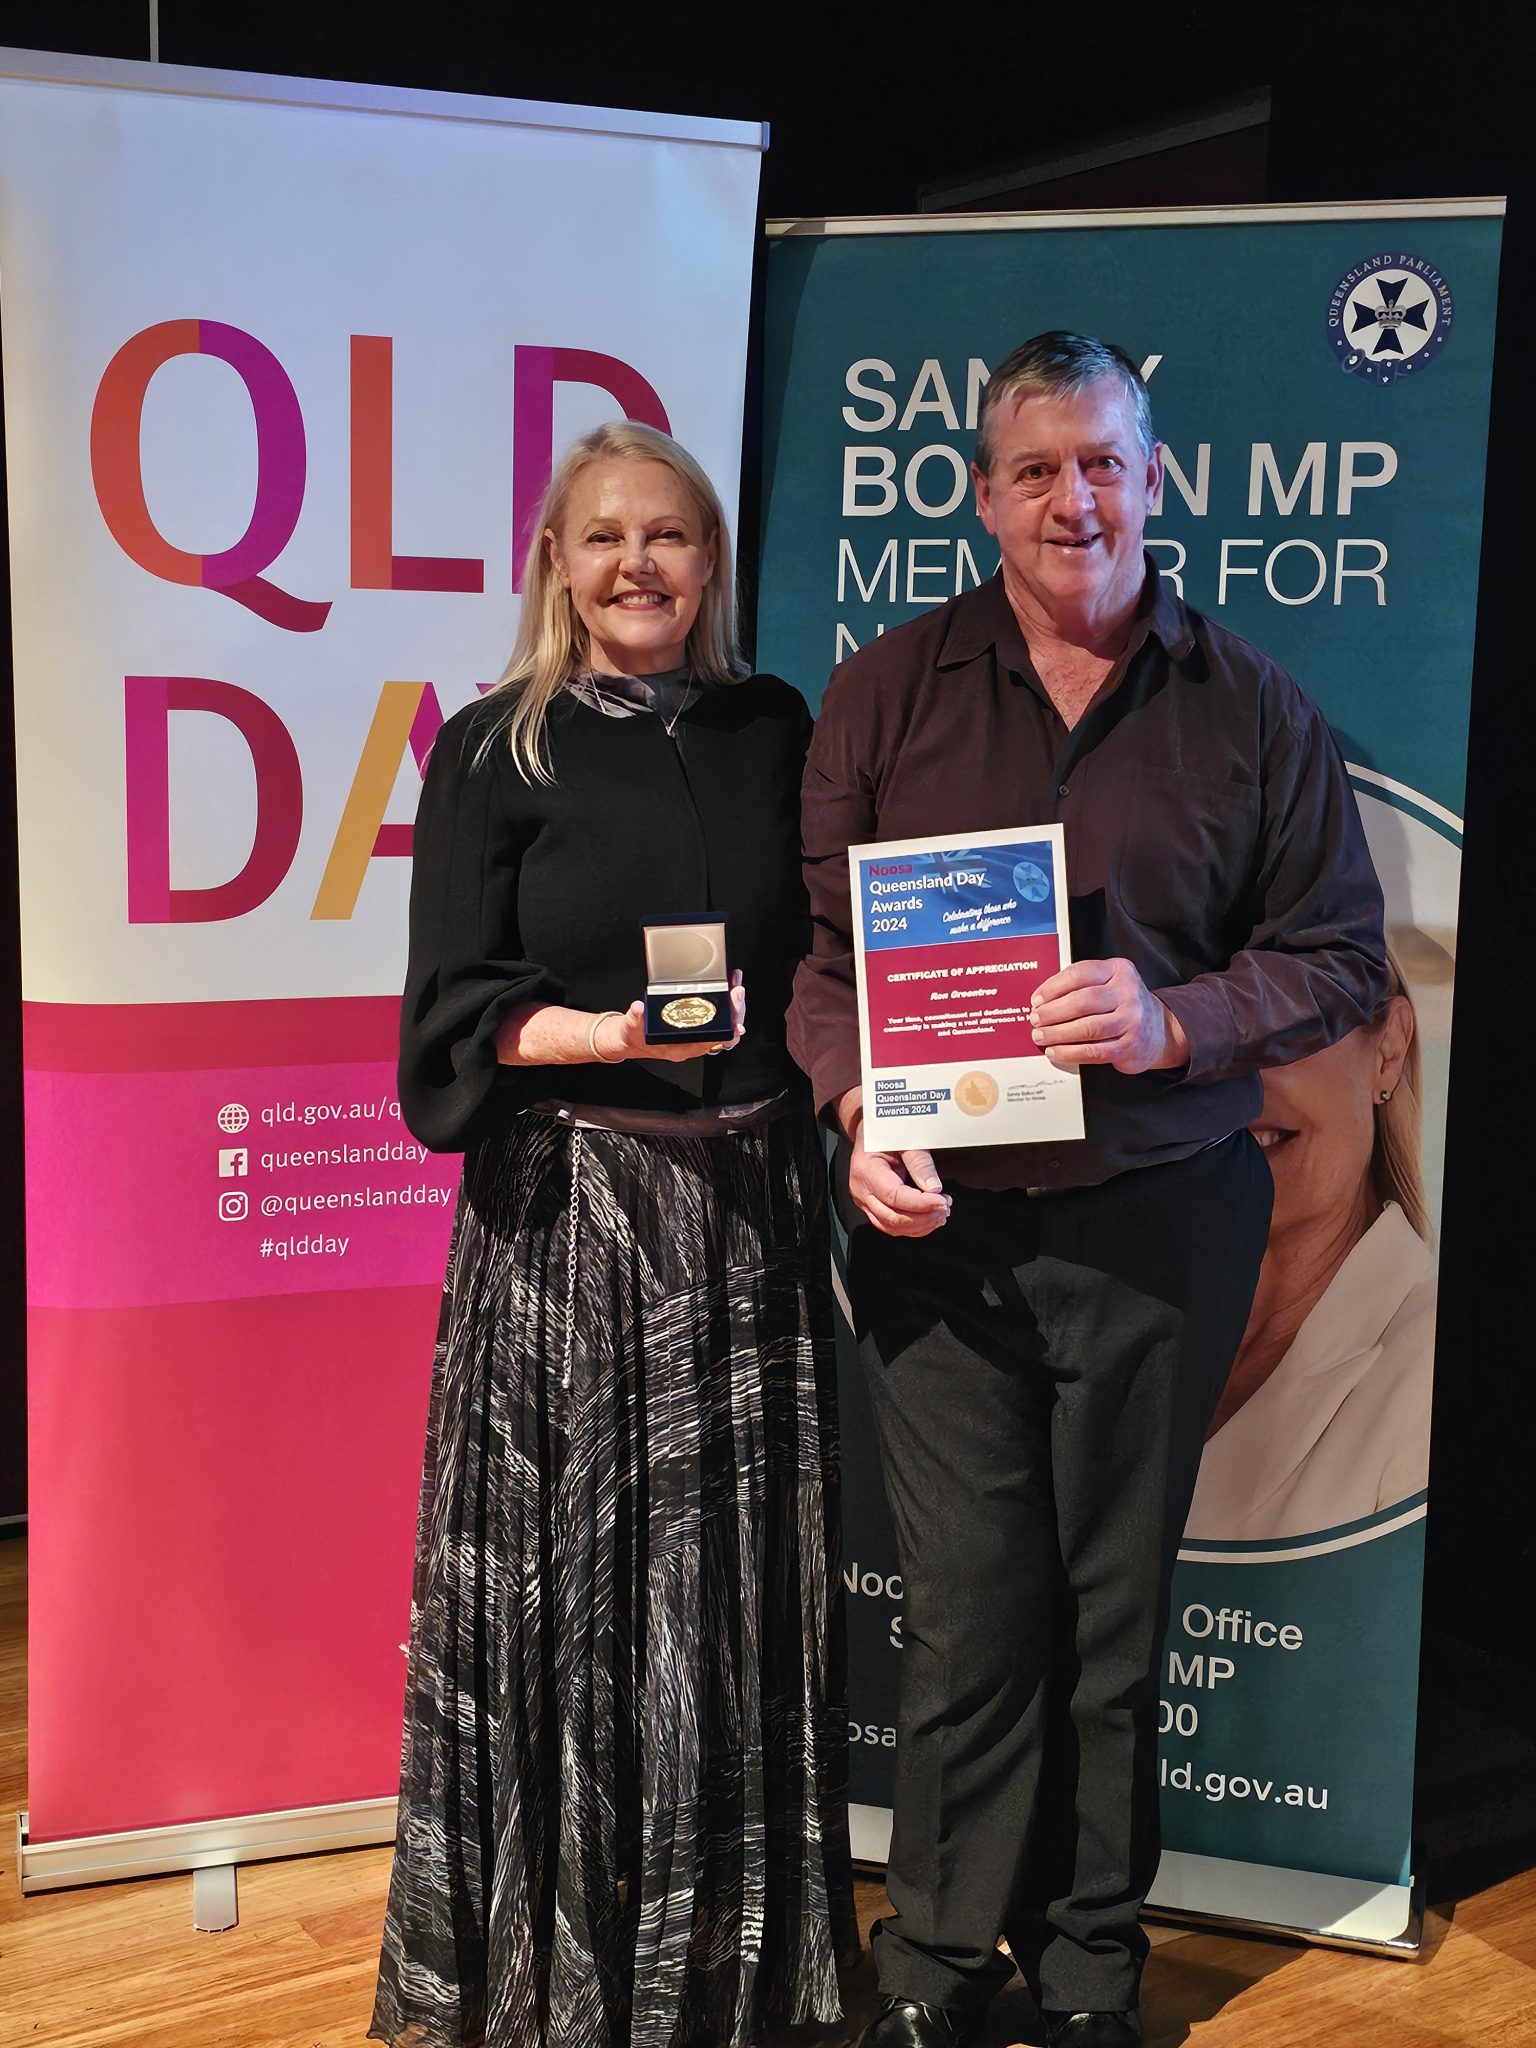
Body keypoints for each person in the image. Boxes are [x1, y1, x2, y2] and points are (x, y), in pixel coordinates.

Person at [788, 332, 1387, 2048]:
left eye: (1105, 463)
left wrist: (1172, 1017)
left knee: (1116, 1621)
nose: (1076, 500)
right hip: (938, 1233)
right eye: (1038, 469)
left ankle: (1088, 1973)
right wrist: (854, 1104)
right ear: (982, 495)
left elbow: (1340, 956)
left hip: (1157, 1217)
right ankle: (932, 1967)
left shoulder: (1251, 706)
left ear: (1154, 478)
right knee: (968, 1613)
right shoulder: (883, 694)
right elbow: (821, 966)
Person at [371, 420, 856, 2048]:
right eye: (605, 537)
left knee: (727, 1609)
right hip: (573, 1222)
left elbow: (834, 948)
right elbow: (448, 1018)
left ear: (709, 559)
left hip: (751, 1217)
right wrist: (605, 1034)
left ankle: (727, 1970)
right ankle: (563, 1977)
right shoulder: (492, 748)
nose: (638, 563)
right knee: (577, 1613)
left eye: (669, 534)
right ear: (558, 566)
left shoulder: (774, 725)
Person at [1186, 952, 1435, 1540]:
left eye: (1285, 1021)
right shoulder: (1103, 1326)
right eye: (1191, 1024)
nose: (1236, 1079)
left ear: (1388, 1051)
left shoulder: (1440, 1367)